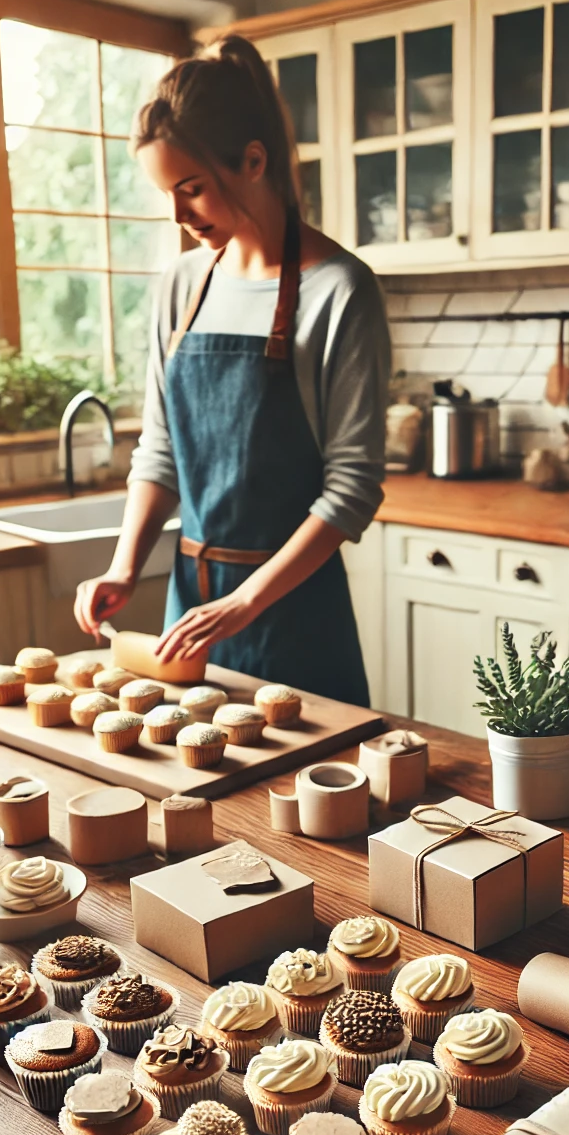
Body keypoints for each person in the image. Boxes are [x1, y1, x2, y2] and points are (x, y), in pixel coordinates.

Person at [74, 36, 390, 704]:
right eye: (167, 195)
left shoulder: (340, 290)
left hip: (296, 616)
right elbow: (161, 451)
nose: (179, 218)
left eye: (191, 191)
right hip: (191, 616)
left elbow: (351, 490)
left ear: (252, 161)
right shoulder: (180, 287)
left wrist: (246, 603)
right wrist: (125, 567)